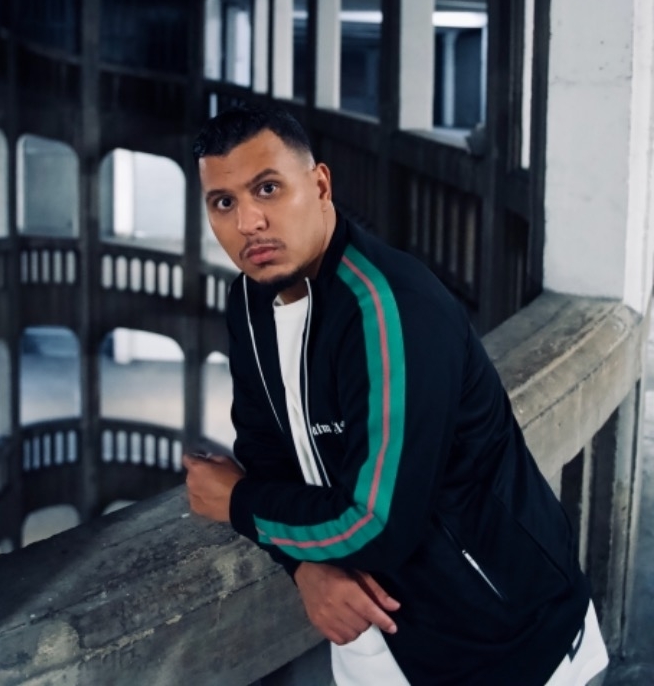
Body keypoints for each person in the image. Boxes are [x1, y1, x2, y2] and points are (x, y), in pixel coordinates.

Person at [183, 103, 609, 686]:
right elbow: (266, 453)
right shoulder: (250, 301)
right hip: (376, 638)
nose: (248, 221)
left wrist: (237, 504)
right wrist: (303, 564)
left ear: (320, 185)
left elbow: (375, 525)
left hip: (507, 641)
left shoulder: (390, 310)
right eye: (223, 202)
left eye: (268, 189)